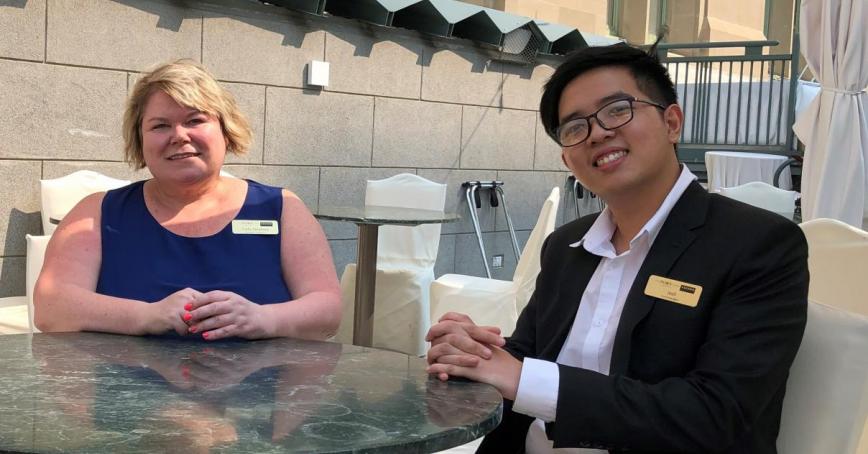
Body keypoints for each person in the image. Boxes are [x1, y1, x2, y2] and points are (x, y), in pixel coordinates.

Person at [425, 41, 808, 453]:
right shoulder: (566, 245)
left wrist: (523, 379)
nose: (599, 132)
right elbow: (526, 354)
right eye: (574, 128)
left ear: (672, 122)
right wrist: (474, 354)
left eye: (617, 109)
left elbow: (717, 414)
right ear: (567, 159)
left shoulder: (757, 244)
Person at [34, 59, 341, 341]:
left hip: (257, 398)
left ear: (226, 129)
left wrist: (263, 318)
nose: (179, 135)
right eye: (160, 125)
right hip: (129, 395)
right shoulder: (97, 212)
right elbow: (51, 307)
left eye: (195, 120)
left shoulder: (281, 209)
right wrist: (147, 315)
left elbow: (327, 311)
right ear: (140, 141)